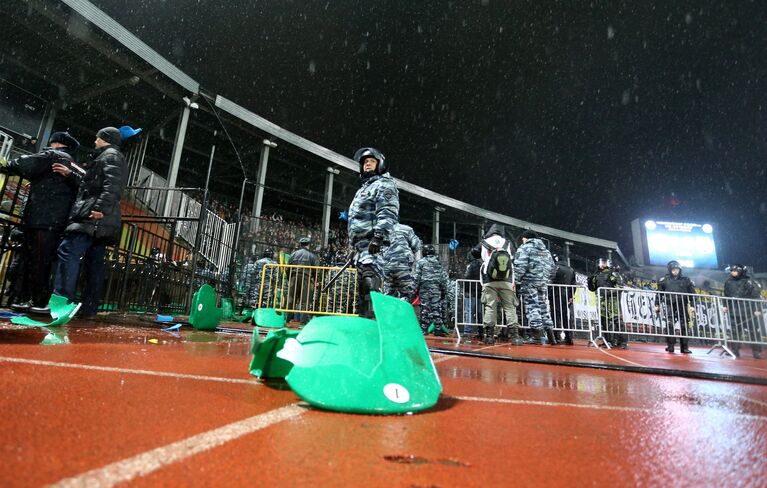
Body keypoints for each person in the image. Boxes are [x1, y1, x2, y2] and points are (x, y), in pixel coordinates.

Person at [1, 131, 82, 314]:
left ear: (57, 144)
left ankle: (35, 300)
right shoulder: (73, 164)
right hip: (53, 220)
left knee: (35, 261)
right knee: (42, 261)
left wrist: (7, 165)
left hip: (42, 218)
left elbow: (24, 163)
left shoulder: (55, 156)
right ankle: (33, 300)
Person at [53, 127, 126, 317]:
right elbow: (93, 183)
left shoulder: (110, 156)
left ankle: (60, 303)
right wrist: (71, 175)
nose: (95, 141)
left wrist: (99, 209)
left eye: (97, 138)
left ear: (105, 139)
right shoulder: (109, 156)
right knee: (94, 263)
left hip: (93, 216)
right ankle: (89, 308)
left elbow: (113, 186)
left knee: (68, 252)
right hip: (99, 218)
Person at [347, 147, 399, 318]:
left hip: (374, 245)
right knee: (362, 286)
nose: (367, 164)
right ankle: (365, 322)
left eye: (371, 161)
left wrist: (379, 236)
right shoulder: (363, 189)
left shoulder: (384, 184)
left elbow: (388, 211)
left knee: (371, 282)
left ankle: (374, 322)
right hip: (361, 249)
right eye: (364, 162)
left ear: (380, 165)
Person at [480, 224, 521, 345]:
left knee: (490, 306)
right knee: (509, 307)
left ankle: (489, 336)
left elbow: (481, 256)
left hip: (489, 279)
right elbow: (513, 258)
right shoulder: (507, 242)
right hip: (506, 279)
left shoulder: (485, 242)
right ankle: (515, 336)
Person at [514, 230, 556, 345]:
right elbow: (552, 268)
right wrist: (545, 279)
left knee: (532, 307)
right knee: (543, 307)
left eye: (523, 238)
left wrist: (515, 280)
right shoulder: (546, 251)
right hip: (542, 283)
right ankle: (551, 335)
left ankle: (537, 336)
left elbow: (520, 266)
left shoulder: (525, 248)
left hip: (529, 282)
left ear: (526, 238)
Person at [723, 264, 763, 359]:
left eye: (735, 271)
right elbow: (726, 295)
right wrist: (725, 305)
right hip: (734, 311)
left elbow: (756, 296)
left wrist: (757, 309)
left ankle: (756, 351)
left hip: (749, 311)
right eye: (732, 271)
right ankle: (735, 351)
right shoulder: (728, 282)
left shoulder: (748, 282)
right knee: (735, 332)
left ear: (740, 271)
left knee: (753, 332)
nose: (733, 272)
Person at [655, 260, 695, 354]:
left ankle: (684, 347)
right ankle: (670, 346)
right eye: (673, 269)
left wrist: (693, 305)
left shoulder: (686, 280)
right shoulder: (664, 280)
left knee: (684, 325)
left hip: (682, 304)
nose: (675, 271)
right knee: (670, 325)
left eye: (677, 269)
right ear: (670, 270)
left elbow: (692, 293)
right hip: (670, 304)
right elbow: (659, 293)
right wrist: (657, 304)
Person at [588, 257, 626, 348]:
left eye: (604, 262)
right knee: (604, 322)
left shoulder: (614, 274)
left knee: (617, 321)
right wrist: (590, 280)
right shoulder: (596, 275)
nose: (602, 264)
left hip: (612, 300)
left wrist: (608, 292)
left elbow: (620, 287)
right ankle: (608, 341)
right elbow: (592, 288)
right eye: (601, 262)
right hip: (601, 301)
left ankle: (622, 341)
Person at [383, 223, 421, 301]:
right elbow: (416, 246)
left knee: (389, 292)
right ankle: (404, 304)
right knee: (407, 292)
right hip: (403, 265)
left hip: (387, 264)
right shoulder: (407, 229)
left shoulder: (383, 230)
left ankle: (388, 308)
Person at [414, 244, 448, 334]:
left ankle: (424, 329)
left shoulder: (421, 262)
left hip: (424, 287)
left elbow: (417, 276)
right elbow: (443, 277)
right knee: (436, 307)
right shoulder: (438, 262)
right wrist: (444, 289)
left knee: (425, 308)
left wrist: (414, 288)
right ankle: (438, 328)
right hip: (436, 287)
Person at [288, 237, 319, 324]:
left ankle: (287, 319)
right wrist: (316, 280)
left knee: (291, 299)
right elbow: (316, 270)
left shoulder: (293, 254)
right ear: (308, 245)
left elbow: (288, 268)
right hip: (306, 278)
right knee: (304, 300)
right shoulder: (312, 255)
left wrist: (289, 278)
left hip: (294, 277)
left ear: (300, 244)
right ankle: (303, 321)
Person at [549, 253, 576, 345]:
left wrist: (548, 293)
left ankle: (557, 336)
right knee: (565, 316)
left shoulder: (556, 267)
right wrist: (571, 296)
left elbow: (551, 280)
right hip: (566, 295)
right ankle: (569, 337)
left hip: (556, 294)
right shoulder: (571, 270)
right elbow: (574, 285)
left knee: (555, 315)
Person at [462, 245, 483, 335]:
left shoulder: (470, 265)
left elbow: (467, 277)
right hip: (480, 291)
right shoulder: (482, 264)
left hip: (471, 292)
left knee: (469, 311)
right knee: (480, 312)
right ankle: (481, 330)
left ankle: (468, 330)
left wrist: (465, 290)